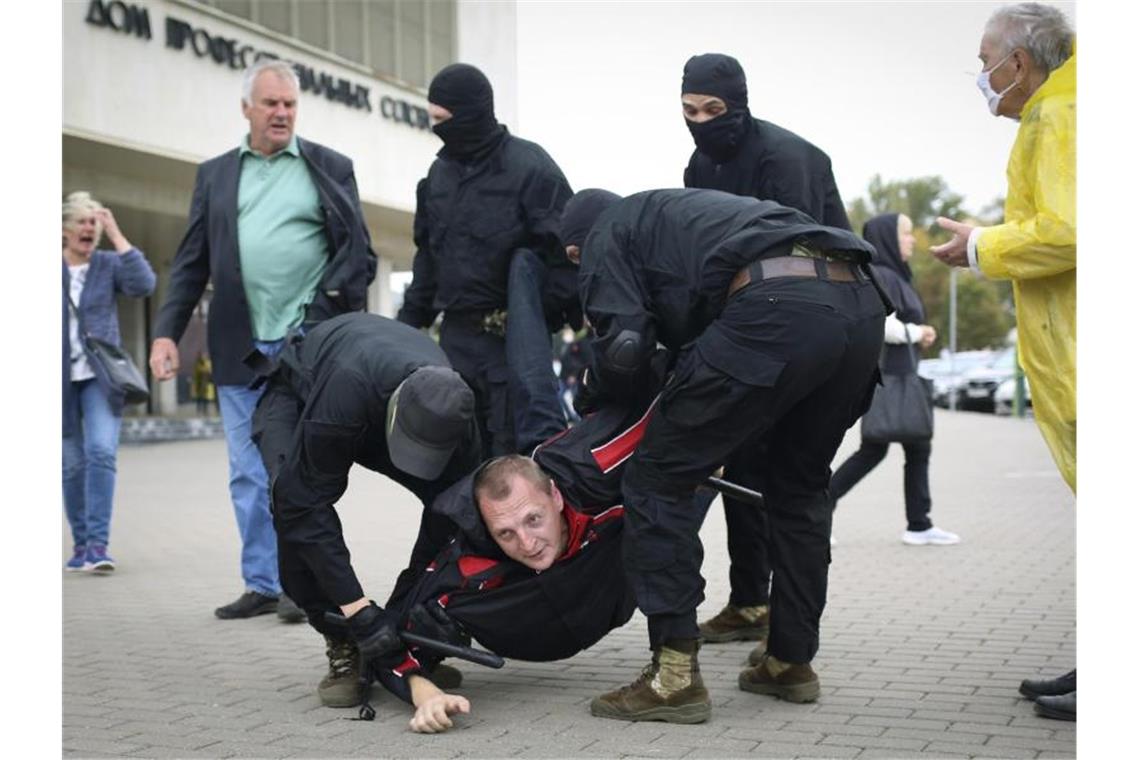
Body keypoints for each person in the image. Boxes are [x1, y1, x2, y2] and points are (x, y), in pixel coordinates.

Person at [561, 187, 886, 723]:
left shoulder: (605, 230)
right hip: (861, 304)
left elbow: (625, 347)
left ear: (579, 239)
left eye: (574, 258)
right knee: (799, 486)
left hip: (777, 307)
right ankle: (789, 661)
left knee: (658, 478)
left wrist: (595, 394)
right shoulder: (683, 218)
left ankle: (673, 679)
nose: (578, 267)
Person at [148, 59, 376, 622]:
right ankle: (263, 582)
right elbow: (190, 262)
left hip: (307, 346)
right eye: (271, 103)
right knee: (248, 472)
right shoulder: (217, 175)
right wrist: (164, 334)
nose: (281, 113)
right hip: (239, 347)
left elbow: (358, 255)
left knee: (297, 467)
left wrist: (324, 313)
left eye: (290, 105)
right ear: (247, 108)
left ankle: (305, 584)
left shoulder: (329, 166)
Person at [929, 3, 1074, 722]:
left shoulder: (1060, 115)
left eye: (984, 58)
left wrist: (984, 246)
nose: (980, 74)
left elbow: (1070, 228)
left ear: (1018, 62)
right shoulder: (1058, 111)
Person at [679, 52, 853, 649]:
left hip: (816, 323)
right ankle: (751, 600)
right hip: (749, 328)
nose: (702, 121)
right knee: (744, 467)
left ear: (740, 104)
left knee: (795, 480)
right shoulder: (698, 165)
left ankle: (791, 638)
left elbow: (796, 254)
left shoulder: (788, 159)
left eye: (714, 109)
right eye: (689, 110)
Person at [250, 312, 481, 711]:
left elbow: (452, 519)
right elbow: (306, 508)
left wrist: (405, 616)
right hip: (302, 396)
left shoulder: (456, 408)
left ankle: (408, 639)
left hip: (375, 393)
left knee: (456, 511)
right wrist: (359, 613)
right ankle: (342, 640)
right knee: (290, 501)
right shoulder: (346, 389)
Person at [396, 63, 574, 459]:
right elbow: (427, 259)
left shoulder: (531, 168)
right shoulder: (437, 177)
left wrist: (537, 317)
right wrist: (402, 333)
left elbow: (568, 257)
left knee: (509, 463)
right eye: (432, 119)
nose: (436, 128)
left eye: (444, 120)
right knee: (454, 460)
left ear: (472, 113)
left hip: (510, 346)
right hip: (455, 344)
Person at [830, 214, 959, 546]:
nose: (912, 239)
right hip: (892, 378)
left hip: (902, 376)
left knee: (905, 448)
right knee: (880, 449)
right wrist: (919, 331)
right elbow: (880, 324)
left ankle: (919, 524)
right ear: (887, 238)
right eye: (905, 233)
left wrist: (919, 335)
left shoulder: (898, 276)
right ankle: (817, 507)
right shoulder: (883, 275)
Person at [62, 191, 156, 573]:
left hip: (100, 379)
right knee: (71, 465)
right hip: (59, 382)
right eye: (82, 222)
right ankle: (81, 543)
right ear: (63, 229)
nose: (89, 228)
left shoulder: (106, 264)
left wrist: (117, 235)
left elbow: (144, 283)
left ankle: (98, 545)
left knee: (101, 451)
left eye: (94, 223)